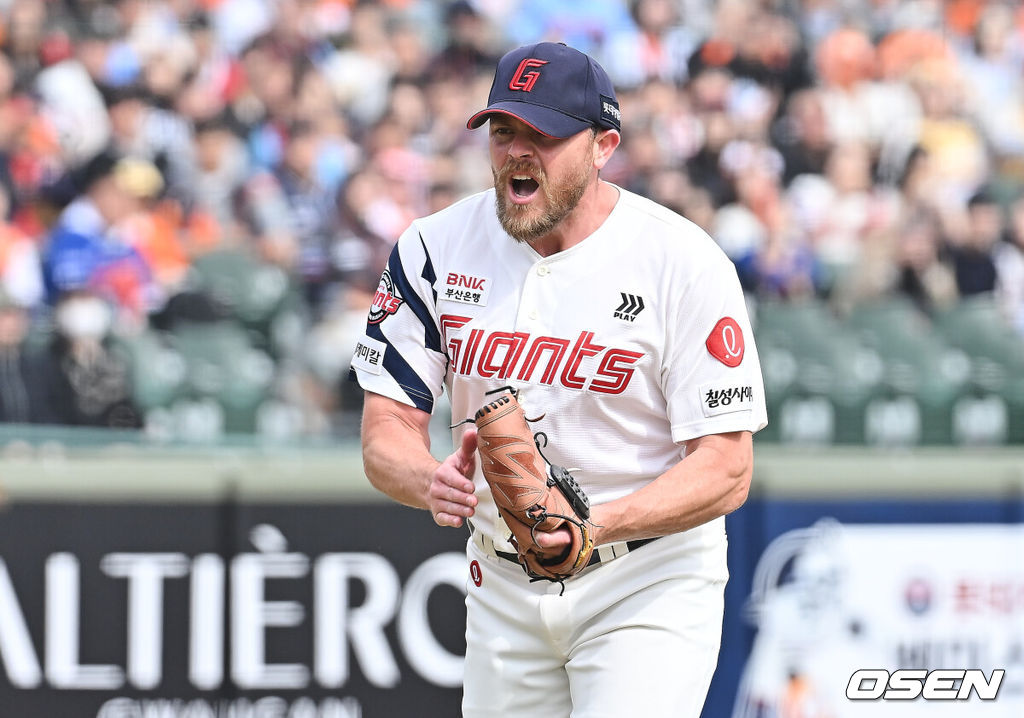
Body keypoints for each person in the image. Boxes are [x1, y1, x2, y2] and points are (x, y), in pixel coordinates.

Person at [351, 42, 767, 718]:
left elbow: (727, 467)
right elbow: (385, 429)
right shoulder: (431, 248)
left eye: (542, 135)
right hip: (501, 583)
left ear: (603, 145)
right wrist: (431, 478)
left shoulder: (681, 260)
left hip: (645, 576)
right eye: (503, 129)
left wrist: (595, 524)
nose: (518, 150)